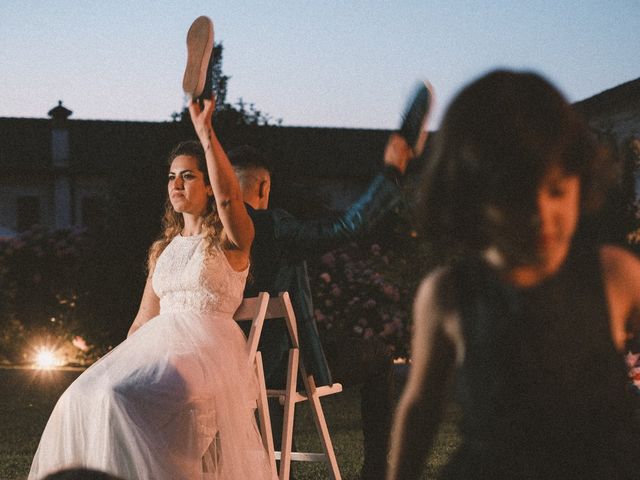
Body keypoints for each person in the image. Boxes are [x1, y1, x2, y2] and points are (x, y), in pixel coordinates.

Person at [387, 69, 640, 480]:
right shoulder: (449, 294)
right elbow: (421, 408)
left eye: (557, 190)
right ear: (471, 197)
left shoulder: (616, 276)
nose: (542, 214)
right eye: (517, 196)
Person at [29, 97, 275, 480]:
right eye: (171, 176)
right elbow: (143, 321)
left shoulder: (231, 239)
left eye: (188, 176)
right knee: (78, 397)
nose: (176, 184)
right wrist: (124, 362)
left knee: (118, 400)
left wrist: (206, 132)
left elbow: (230, 198)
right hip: (159, 349)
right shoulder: (163, 250)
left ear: (209, 186)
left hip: (207, 354)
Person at [229, 129, 418, 479]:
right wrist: (391, 173)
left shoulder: (206, 232)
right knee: (378, 356)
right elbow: (349, 224)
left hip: (226, 365)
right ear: (264, 187)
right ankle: (378, 472)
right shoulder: (273, 227)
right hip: (280, 368)